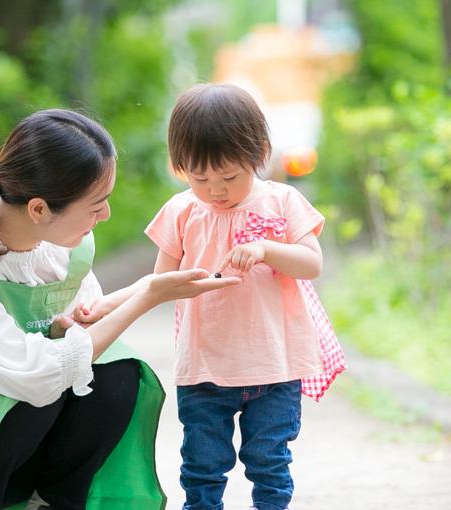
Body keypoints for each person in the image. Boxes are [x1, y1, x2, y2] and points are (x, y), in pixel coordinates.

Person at [0, 109, 240, 510]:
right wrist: (146, 298)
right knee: (30, 386)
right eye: (96, 205)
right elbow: (31, 374)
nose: (105, 215)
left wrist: (133, 295)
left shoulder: (62, 250)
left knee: (113, 373)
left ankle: (51, 503)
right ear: (38, 209)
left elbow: (81, 335)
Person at [86, 83, 341, 510]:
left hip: (274, 367)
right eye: (200, 178)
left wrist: (266, 249)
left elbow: (311, 264)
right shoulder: (182, 211)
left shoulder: (281, 202)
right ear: (180, 166)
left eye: (229, 177)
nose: (215, 190)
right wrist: (105, 305)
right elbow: (159, 282)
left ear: (259, 153)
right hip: (204, 367)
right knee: (202, 464)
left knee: (269, 461)